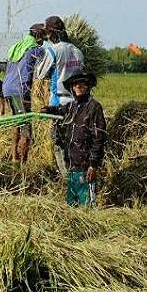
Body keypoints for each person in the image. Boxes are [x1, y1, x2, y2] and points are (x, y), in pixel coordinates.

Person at [42, 72, 106, 207]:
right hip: (72, 162)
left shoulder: (94, 107)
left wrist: (93, 165)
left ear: (88, 87)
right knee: (72, 204)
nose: (79, 86)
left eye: (82, 84)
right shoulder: (72, 106)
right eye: (76, 84)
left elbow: (98, 138)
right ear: (72, 88)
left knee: (86, 204)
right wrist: (47, 110)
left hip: (85, 164)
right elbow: (59, 110)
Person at [34, 15, 85, 174]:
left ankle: (68, 179)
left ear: (51, 34)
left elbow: (40, 73)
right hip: (77, 105)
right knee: (74, 142)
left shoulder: (53, 51)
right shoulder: (78, 52)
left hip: (59, 104)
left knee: (59, 144)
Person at [3, 23, 46, 164]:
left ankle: (14, 156)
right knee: (26, 127)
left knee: (17, 121)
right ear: (38, 35)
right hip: (20, 90)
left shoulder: (16, 47)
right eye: (43, 36)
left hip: (8, 88)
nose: (44, 40)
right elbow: (44, 71)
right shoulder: (34, 50)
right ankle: (23, 162)